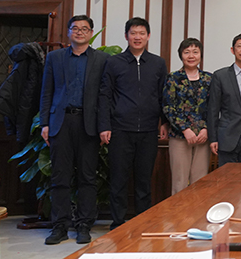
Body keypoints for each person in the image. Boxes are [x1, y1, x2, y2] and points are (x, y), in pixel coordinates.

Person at [40, 15, 110, 245]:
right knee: (59, 177)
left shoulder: (102, 59)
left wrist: (104, 126)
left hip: (88, 124)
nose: (80, 32)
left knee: (87, 177)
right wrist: (44, 123)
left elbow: (105, 96)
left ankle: (83, 225)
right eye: (75, 28)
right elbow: (46, 92)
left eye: (84, 29)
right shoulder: (55, 58)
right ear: (69, 32)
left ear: (91, 33)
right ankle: (59, 226)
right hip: (60, 123)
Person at [98, 17, 168, 230]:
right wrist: (104, 125)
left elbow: (163, 95)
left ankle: (143, 221)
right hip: (120, 129)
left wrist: (164, 122)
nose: (137, 37)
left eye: (142, 33)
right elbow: (105, 95)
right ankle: (118, 222)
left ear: (148, 36)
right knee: (118, 179)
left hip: (148, 130)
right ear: (126, 36)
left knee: (144, 180)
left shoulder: (158, 63)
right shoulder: (114, 62)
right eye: (133, 33)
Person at [162, 38, 212, 195]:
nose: (191, 56)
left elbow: (214, 107)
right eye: (187, 52)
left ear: (201, 55)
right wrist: (185, 129)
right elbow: (168, 107)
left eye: (195, 52)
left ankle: (198, 212)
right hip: (179, 136)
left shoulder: (209, 79)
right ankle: (179, 212)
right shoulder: (173, 78)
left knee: (201, 181)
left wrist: (206, 129)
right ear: (181, 55)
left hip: (203, 137)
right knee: (180, 181)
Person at [207, 33, 241, 166]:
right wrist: (213, 138)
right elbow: (213, 109)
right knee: (226, 177)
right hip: (226, 137)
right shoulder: (220, 76)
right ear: (232, 50)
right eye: (239, 46)